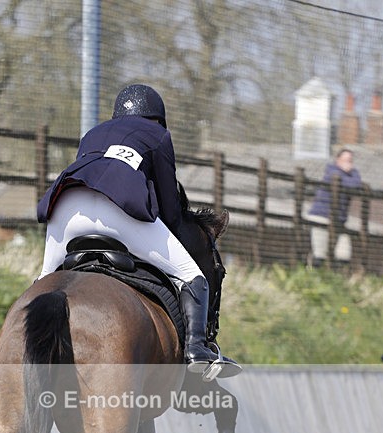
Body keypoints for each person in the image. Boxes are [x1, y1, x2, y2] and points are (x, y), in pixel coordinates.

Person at [36, 83, 241, 377]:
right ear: (157, 118)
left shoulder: (92, 134)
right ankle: (197, 351)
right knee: (193, 276)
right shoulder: (158, 135)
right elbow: (170, 207)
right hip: (118, 210)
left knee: (44, 282)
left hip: (67, 209)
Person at [308, 148, 361, 268]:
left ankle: (339, 278)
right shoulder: (331, 172)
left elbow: (356, 183)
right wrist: (350, 175)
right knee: (320, 252)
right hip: (321, 216)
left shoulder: (352, 174)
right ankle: (313, 276)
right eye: (345, 160)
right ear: (338, 160)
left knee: (344, 252)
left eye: (350, 161)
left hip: (339, 220)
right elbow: (351, 183)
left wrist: (351, 173)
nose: (348, 163)